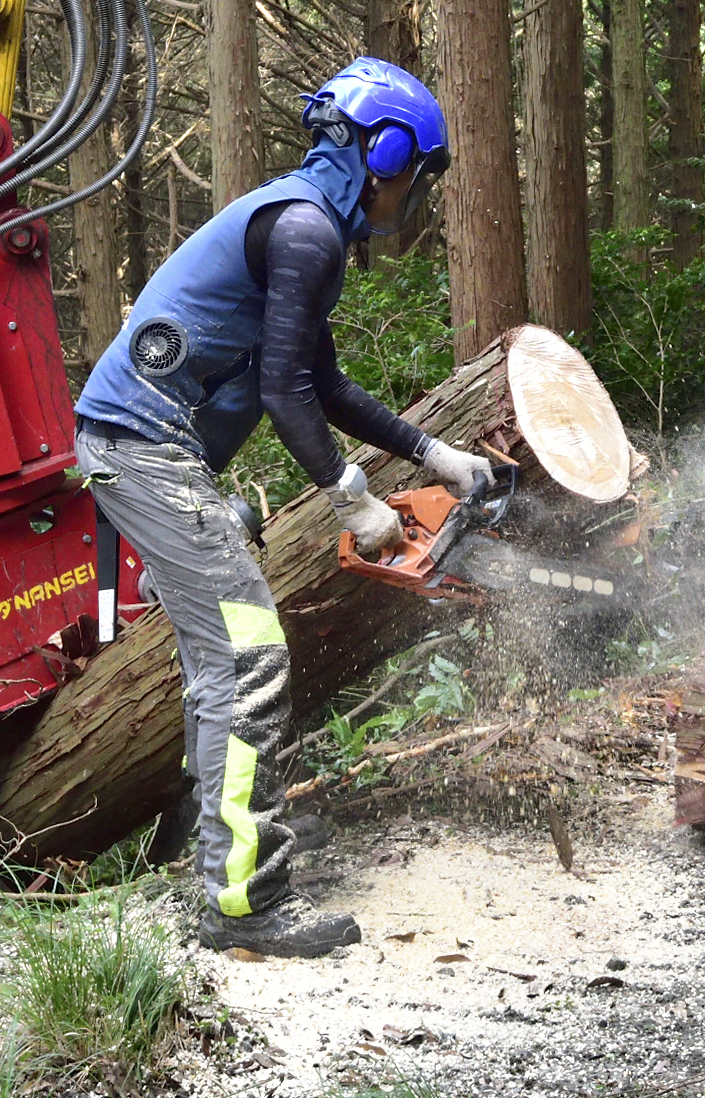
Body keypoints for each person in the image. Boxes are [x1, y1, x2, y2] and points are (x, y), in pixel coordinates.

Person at [69, 57, 504, 958]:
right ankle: (244, 905)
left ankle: (220, 864)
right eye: (415, 177)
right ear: (385, 155)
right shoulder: (306, 231)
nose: (411, 199)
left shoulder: (305, 224)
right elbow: (280, 389)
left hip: (140, 447)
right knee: (248, 652)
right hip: (140, 449)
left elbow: (321, 380)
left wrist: (432, 453)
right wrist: (354, 503)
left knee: (225, 660)